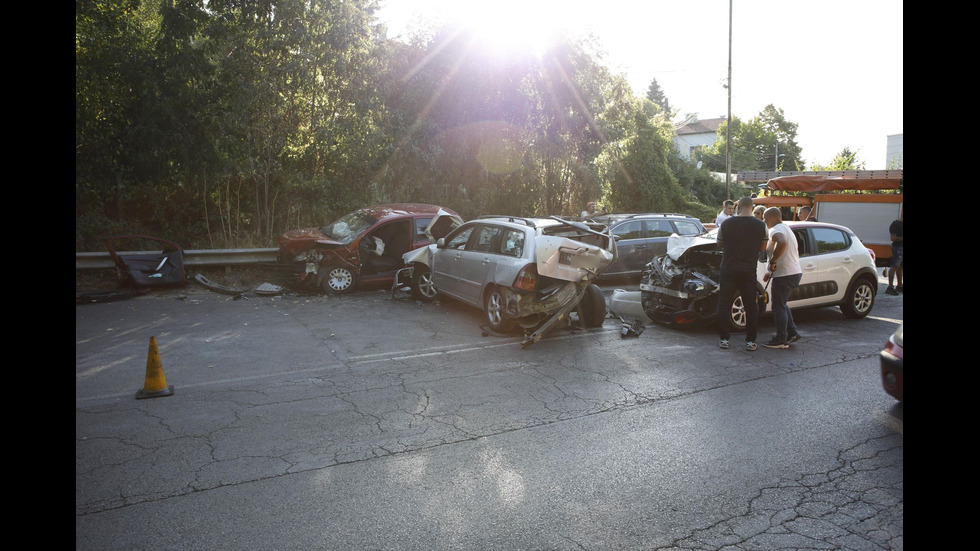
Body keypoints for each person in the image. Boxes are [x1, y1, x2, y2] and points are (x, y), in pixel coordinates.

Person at [716, 197, 768, 352]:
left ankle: (724, 339)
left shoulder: (726, 223)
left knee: (724, 304)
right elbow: (763, 248)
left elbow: (719, 243)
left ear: (738, 207)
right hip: (748, 270)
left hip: (728, 269)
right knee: (751, 305)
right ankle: (751, 341)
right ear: (752, 208)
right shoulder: (761, 225)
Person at [762, 207, 803, 349]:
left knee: (778, 306)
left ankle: (781, 339)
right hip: (793, 272)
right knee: (782, 303)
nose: (764, 221)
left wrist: (773, 262)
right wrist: (770, 270)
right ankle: (792, 332)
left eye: (765, 219)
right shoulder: (787, 229)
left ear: (772, 218)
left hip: (785, 274)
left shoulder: (775, 230)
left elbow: (782, 242)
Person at [885, 214, 903, 295]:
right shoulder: (895, 224)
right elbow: (893, 238)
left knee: (900, 267)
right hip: (898, 248)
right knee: (894, 266)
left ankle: (899, 285)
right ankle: (890, 287)